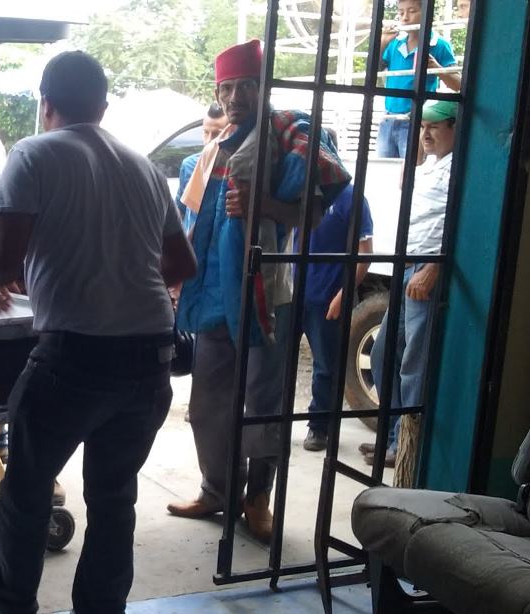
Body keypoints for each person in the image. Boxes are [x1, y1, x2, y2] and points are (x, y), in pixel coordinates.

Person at [0, 51, 196, 614]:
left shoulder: (33, 153)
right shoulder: (143, 167)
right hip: (151, 358)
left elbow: (2, 260)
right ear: (103, 106)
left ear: (45, 103)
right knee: (114, 496)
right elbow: (181, 264)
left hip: (74, 360)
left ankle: (9, 602)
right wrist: (119, 270)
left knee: (27, 486)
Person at [165, 40, 350, 542]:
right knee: (208, 406)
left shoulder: (284, 148)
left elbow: (311, 217)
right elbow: (189, 229)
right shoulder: (206, 156)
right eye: (227, 88)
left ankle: (257, 500)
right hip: (213, 300)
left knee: (263, 406)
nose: (236, 97)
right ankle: (217, 491)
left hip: (268, 296)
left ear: (263, 88)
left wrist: (262, 204)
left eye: (246, 86)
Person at [360, 100, 457, 468]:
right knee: (384, 355)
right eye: (421, 126)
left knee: (414, 364)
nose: (426, 133)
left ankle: (406, 448)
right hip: (406, 268)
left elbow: (461, 221)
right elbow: (405, 183)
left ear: (455, 128)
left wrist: (433, 267)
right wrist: (421, 136)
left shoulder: (459, 168)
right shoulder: (430, 164)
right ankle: (391, 437)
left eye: (434, 126)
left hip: (425, 270)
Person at [301, 179, 374, 451]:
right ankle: (274, 423)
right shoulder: (299, 191)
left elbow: (365, 253)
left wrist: (342, 296)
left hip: (327, 297)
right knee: (278, 362)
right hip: (293, 293)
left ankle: (319, 427)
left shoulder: (350, 198)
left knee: (325, 366)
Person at [377, 0, 460, 159]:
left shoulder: (439, 44)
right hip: (388, 118)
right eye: (401, 12)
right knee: (384, 168)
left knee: (412, 167)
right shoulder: (394, 43)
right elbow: (374, 70)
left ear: (427, 14)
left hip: (417, 120)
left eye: (412, 11)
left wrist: (436, 67)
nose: (405, 17)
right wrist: (383, 42)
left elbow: (458, 84)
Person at [177, 103, 228, 231]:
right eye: (206, 132)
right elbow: (180, 210)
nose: (209, 140)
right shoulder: (189, 165)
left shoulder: (232, 169)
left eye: (216, 134)